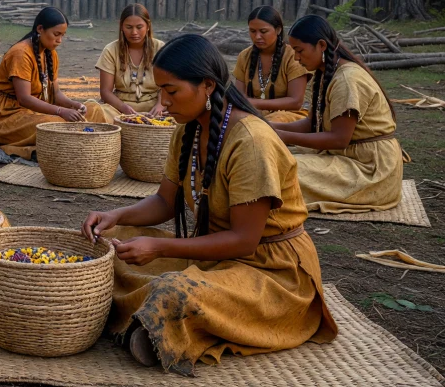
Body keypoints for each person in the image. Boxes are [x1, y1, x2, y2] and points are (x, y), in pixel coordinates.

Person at [82, 34, 335, 375]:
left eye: (171, 91)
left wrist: (157, 246)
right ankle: (138, 318)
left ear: (207, 86)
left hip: (270, 273)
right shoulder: (188, 130)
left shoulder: (251, 142)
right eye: (161, 91)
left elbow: (244, 240)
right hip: (216, 256)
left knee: (174, 291)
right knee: (111, 244)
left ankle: (150, 324)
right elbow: (163, 202)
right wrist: (115, 215)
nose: (163, 102)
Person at [269, 15, 405, 214]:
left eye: (299, 51)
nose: (296, 58)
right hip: (346, 158)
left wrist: (284, 136)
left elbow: (339, 139)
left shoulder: (347, 80)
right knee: (272, 159)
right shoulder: (329, 73)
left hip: (369, 169)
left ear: (321, 45)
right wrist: (270, 128)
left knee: (280, 169)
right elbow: (312, 124)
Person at [0, 6, 106, 160]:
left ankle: (75, 143)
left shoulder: (50, 53)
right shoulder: (20, 54)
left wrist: (74, 105)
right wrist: (61, 111)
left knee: (94, 109)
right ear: (40, 29)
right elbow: (24, 99)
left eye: (62, 35)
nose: (59, 40)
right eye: (56, 34)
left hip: (37, 110)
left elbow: (56, 93)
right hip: (7, 116)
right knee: (54, 124)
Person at [232, 6, 309, 122]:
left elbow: (296, 102)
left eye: (263, 31)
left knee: (270, 123)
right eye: (253, 31)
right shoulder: (244, 56)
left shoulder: (292, 56)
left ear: (278, 30)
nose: (257, 36)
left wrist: (253, 103)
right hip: (251, 112)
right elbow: (239, 96)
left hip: (287, 116)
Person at [93, 3, 165, 121]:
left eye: (139, 27)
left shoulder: (160, 48)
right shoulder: (111, 50)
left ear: (148, 26)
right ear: (121, 26)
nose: (134, 32)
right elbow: (106, 91)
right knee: (94, 110)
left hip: (154, 108)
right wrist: (124, 108)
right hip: (118, 109)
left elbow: (169, 85)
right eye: (129, 27)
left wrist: (160, 106)